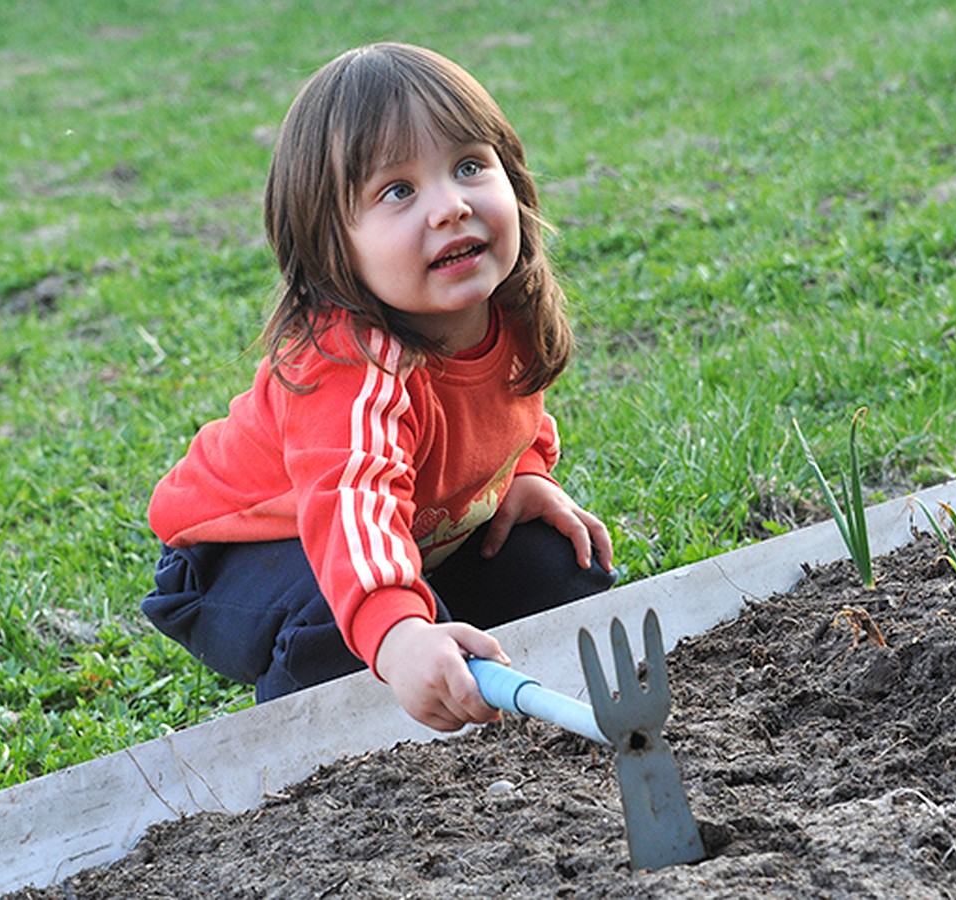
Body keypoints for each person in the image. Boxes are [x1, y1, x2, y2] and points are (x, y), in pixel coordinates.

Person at [141, 43, 616, 733]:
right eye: (398, 190)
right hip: (238, 559)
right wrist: (398, 636)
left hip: (401, 536)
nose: (451, 207)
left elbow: (510, 412)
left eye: (470, 166)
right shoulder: (350, 361)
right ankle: (312, 760)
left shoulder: (502, 305)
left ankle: (445, 652)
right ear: (335, 246)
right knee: (344, 628)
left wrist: (525, 474)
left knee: (555, 567)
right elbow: (351, 506)